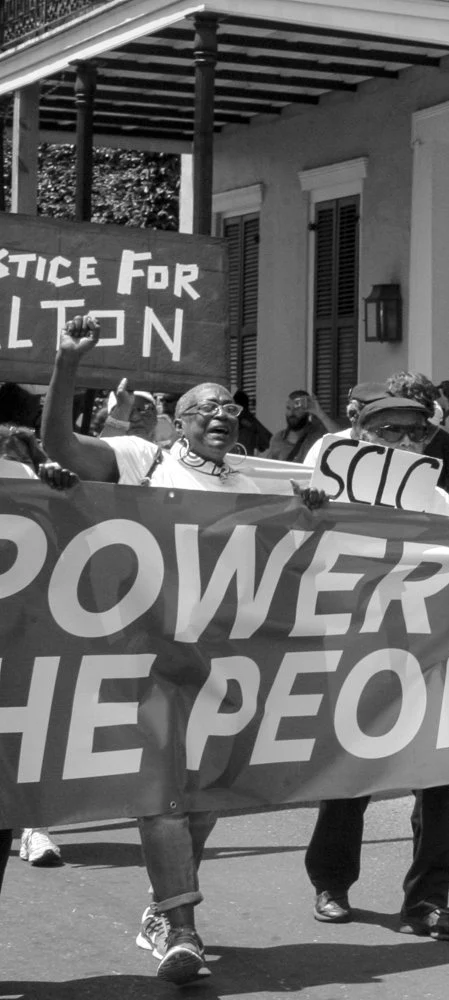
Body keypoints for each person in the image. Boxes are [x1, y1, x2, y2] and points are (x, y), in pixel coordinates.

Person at [41, 314, 323, 986]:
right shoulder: (144, 461)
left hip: (220, 663)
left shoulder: (253, 485)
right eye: (205, 408)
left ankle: (161, 911)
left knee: (204, 797)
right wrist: (66, 366)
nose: (221, 415)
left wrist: (308, 514)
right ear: (176, 420)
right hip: (145, 655)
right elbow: (62, 445)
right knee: (161, 789)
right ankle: (184, 926)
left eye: (229, 407)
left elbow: (286, 565)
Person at [301, 389, 449, 940]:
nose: (407, 442)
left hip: (425, 650)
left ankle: (428, 899)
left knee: (436, 775)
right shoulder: (325, 485)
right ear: (362, 435)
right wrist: (305, 514)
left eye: (418, 432)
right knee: (350, 769)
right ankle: (331, 882)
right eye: (392, 431)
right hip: (353, 649)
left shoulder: (438, 503)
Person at [0, 423, 80, 896]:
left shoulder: (29, 476)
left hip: (20, 643)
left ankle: (33, 824)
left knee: (23, 753)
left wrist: (60, 487)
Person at [264, 389, 328, 463]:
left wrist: (319, 412)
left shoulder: (319, 435)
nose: (291, 413)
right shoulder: (277, 438)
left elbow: (342, 439)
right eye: (288, 408)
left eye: (297, 409)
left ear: (308, 411)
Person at [233, 389, 273, 455]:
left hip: (245, 463)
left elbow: (270, 442)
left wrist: (251, 424)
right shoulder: (227, 426)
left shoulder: (250, 427)